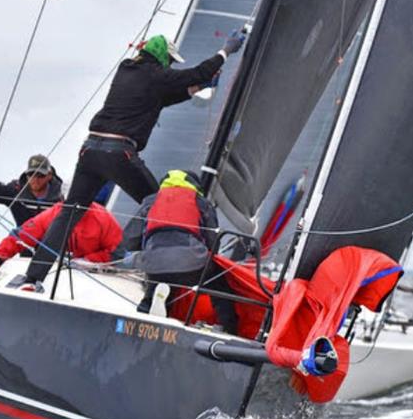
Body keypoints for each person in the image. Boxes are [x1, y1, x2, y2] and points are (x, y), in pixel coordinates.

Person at [23, 32, 246, 287]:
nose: (170, 66)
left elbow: (162, 97)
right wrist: (225, 52)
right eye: (169, 61)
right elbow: (195, 74)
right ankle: (128, 258)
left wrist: (197, 87)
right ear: (161, 57)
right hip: (119, 152)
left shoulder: (127, 71)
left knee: (69, 213)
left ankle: (33, 277)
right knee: (160, 206)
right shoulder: (156, 75)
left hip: (90, 151)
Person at [122, 169, 238, 334]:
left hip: (155, 263)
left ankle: (144, 313)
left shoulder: (151, 200)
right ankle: (229, 328)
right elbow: (213, 242)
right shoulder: (201, 202)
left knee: (159, 284)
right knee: (219, 285)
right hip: (191, 262)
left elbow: (129, 239)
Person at [0, 201, 122, 283]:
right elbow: (20, 236)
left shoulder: (102, 218)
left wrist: (86, 261)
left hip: (94, 275)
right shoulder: (54, 214)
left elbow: (117, 253)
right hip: (54, 274)